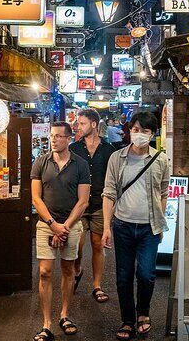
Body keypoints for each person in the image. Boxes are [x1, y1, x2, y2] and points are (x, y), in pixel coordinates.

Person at [101, 112, 170, 340]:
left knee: (147, 274)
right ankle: (128, 320)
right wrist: (106, 227)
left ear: (152, 135)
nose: (139, 134)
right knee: (123, 276)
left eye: (145, 131)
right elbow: (109, 193)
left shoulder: (160, 159)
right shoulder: (116, 158)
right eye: (136, 129)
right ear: (129, 130)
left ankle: (143, 313)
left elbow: (163, 192)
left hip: (149, 228)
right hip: (122, 225)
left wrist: (159, 222)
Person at [31, 122, 91, 340]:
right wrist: (52, 225)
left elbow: (83, 201)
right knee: (45, 271)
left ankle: (65, 315)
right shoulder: (40, 162)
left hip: (71, 225)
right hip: (46, 225)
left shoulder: (81, 165)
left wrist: (64, 227)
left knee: (68, 270)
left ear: (68, 138)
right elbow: (36, 198)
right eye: (51, 136)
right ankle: (46, 323)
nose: (53, 140)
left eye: (58, 136)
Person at [70, 109, 117, 304]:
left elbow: (114, 179)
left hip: (100, 204)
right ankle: (77, 270)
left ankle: (97, 285)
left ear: (94, 124)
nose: (78, 127)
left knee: (98, 246)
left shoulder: (109, 150)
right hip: (78, 206)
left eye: (82, 123)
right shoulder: (73, 148)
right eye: (78, 124)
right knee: (77, 246)